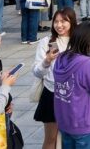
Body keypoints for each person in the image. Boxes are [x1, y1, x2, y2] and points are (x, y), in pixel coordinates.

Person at [53, 22, 90, 148]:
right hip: (86, 123)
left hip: (65, 122)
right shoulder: (87, 64)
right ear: (89, 42)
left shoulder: (61, 58)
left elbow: (77, 76)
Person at [32, 8, 77, 149]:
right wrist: (47, 60)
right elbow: (37, 72)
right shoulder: (46, 42)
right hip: (52, 94)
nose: (59, 25)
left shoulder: (77, 41)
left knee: (72, 137)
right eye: (56, 21)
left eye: (63, 21)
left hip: (74, 94)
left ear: (72, 22)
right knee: (51, 138)